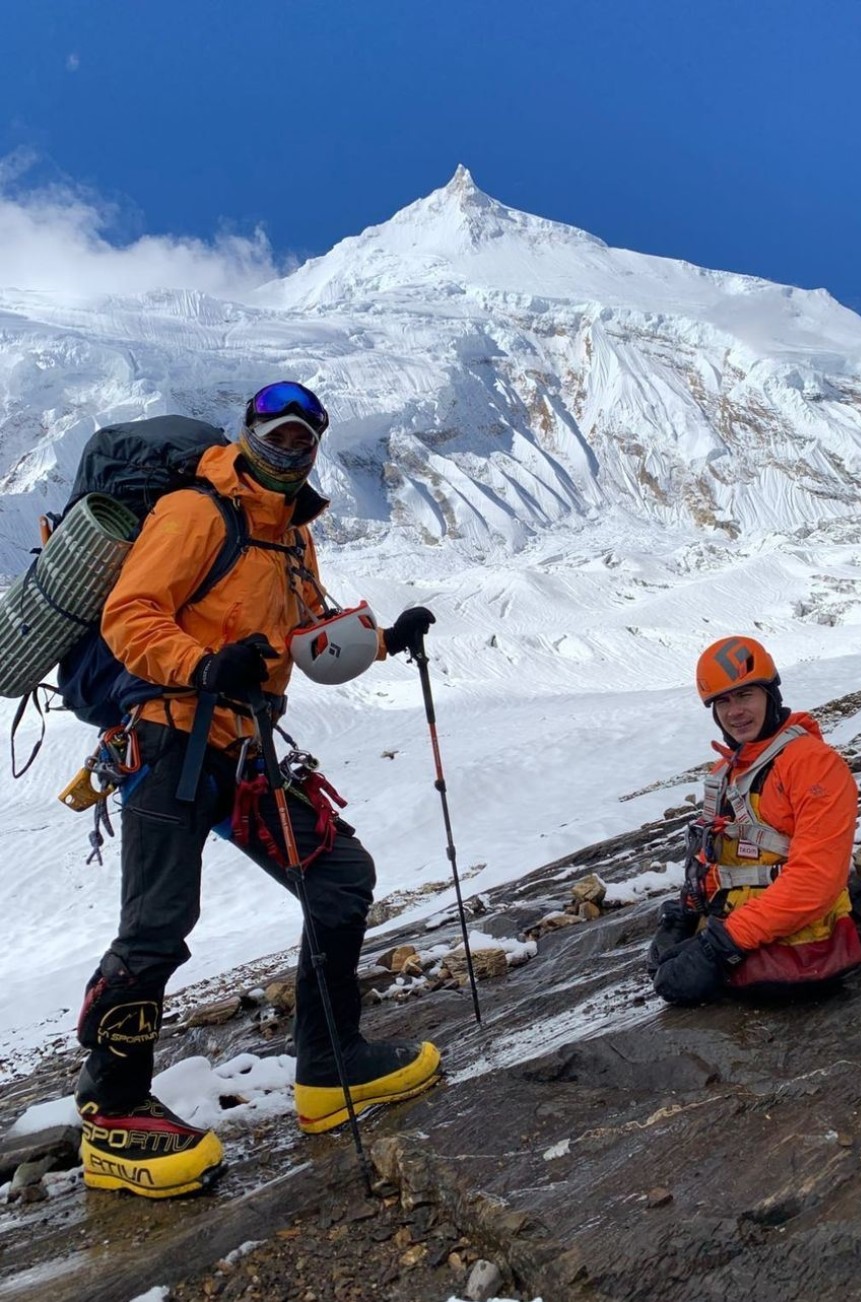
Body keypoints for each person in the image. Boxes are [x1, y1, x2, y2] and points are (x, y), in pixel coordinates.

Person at [75, 381, 440, 1199]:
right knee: (156, 931)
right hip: (171, 741)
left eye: (302, 440)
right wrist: (202, 664)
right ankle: (112, 1115)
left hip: (244, 750)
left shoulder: (290, 536)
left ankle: (330, 1066)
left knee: (340, 878)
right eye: (277, 435)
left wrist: (383, 641)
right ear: (248, 432)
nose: (289, 448)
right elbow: (130, 616)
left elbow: (306, 637)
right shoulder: (198, 514)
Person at [648, 635, 861, 1004]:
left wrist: (722, 944)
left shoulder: (813, 764)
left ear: (770, 695)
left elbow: (816, 880)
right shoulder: (726, 771)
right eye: (723, 701)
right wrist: (686, 911)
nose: (735, 711)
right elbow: (719, 858)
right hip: (739, 924)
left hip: (801, 946)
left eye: (745, 695)